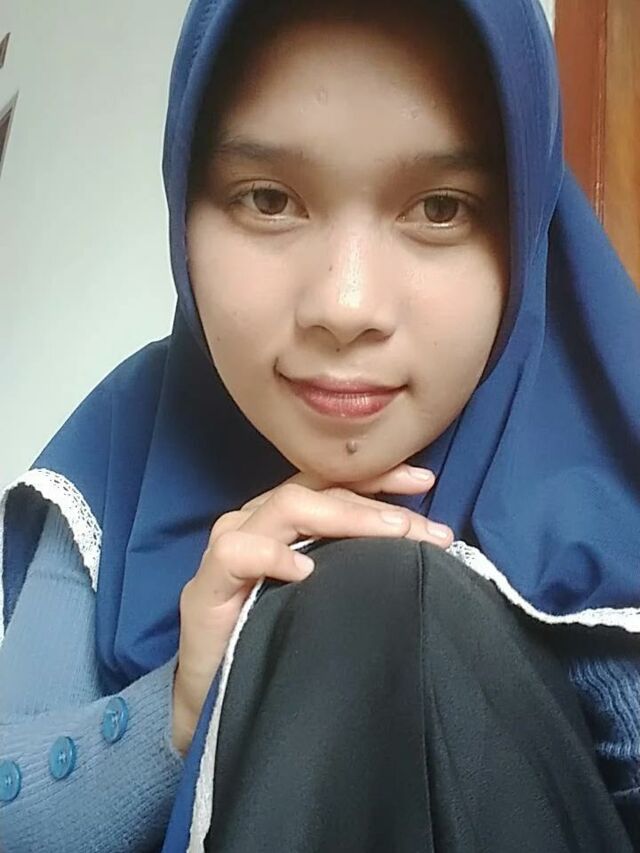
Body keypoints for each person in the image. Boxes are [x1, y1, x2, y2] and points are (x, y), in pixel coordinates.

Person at [1, 0, 639, 849]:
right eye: (269, 199)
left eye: (440, 208)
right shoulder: (126, 447)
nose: (345, 305)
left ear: (523, 223)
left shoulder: (610, 452)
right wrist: (179, 707)